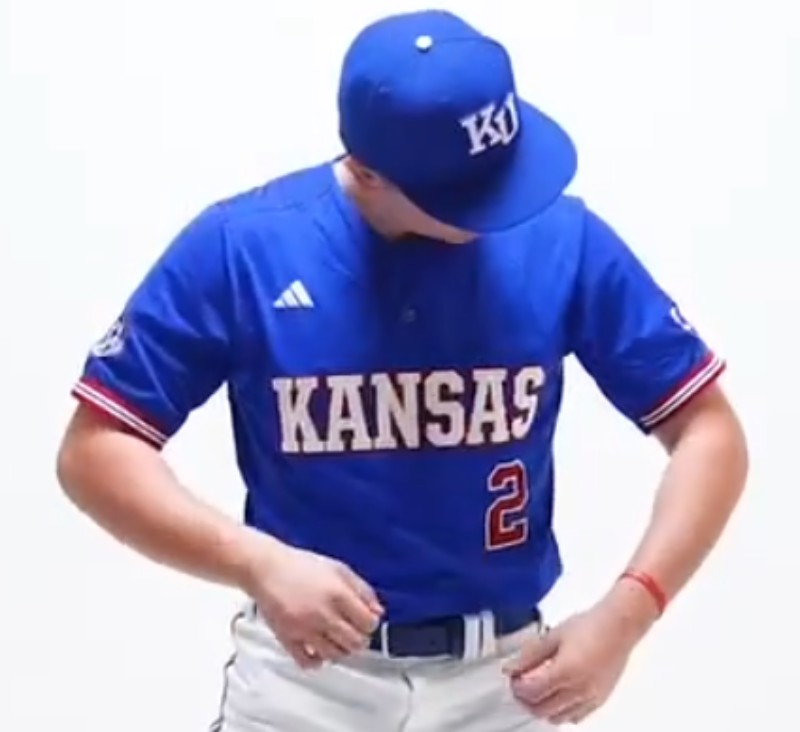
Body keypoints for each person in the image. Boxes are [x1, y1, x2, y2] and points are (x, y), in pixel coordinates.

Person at [56, 9, 748, 732]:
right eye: (470, 192)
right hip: (305, 680)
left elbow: (709, 431)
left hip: (505, 679)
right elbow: (95, 450)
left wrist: (629, 613)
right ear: (368, 171)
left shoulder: (561, 237)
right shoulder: (243, 246)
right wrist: (255, 562)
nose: (504, 205)